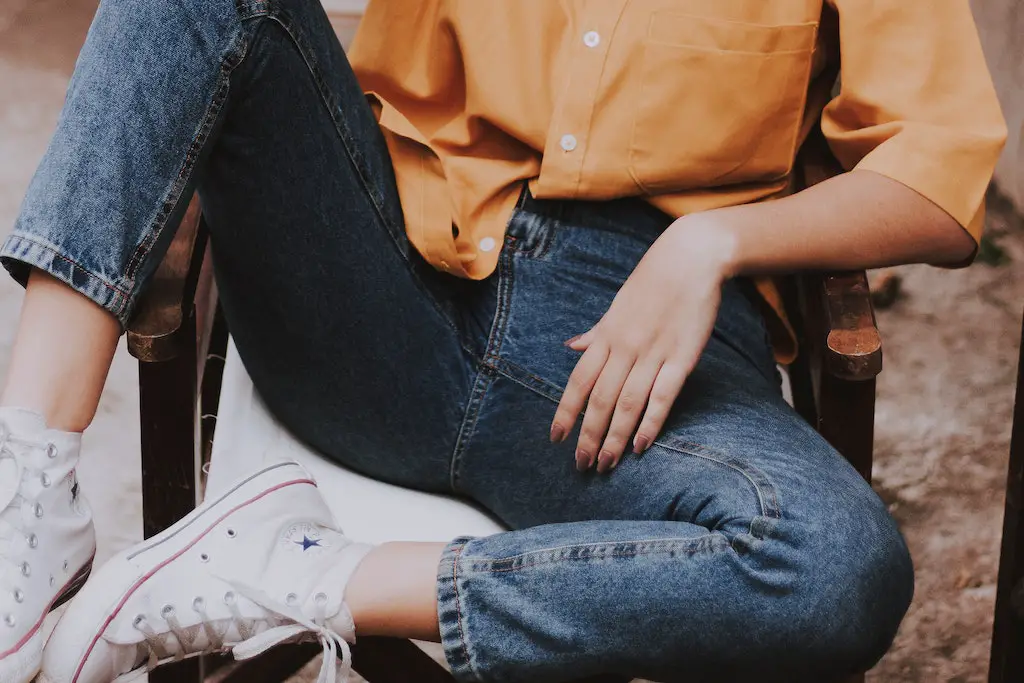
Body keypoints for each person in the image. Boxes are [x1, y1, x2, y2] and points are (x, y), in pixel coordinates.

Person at [0, 0, 1006, 682]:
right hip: (378, 283)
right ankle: (30, 501)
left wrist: (714, 242)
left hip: (632, 380)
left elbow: (939, 179)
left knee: (837, 565)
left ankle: (290, 569)